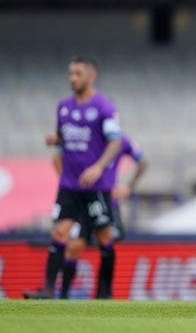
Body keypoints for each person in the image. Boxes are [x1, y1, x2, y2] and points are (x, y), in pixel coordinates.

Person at [24, 56, 123, 299]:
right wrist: (55, 140)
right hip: (69, 184)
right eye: (70, 74)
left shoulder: (104, 107)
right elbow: (64, 138)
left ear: (91, 75)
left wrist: (99, 167)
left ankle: (105, 292)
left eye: (78, 74)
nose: (73, 78)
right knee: (58, 233)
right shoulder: (63, 106)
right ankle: (48, 289)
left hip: (96, 186)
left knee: (104, 239)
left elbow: (115, 142)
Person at [54, 134, 148, 299]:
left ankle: (104, 294)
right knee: (75, 245)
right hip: (83, 200)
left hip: (106, 201)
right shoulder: (83, 138)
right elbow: (57, 157)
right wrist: (69, 183)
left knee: (106, 243)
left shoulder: (122, 141)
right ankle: (63, 295)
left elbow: (142, 162)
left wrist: (129, 187)